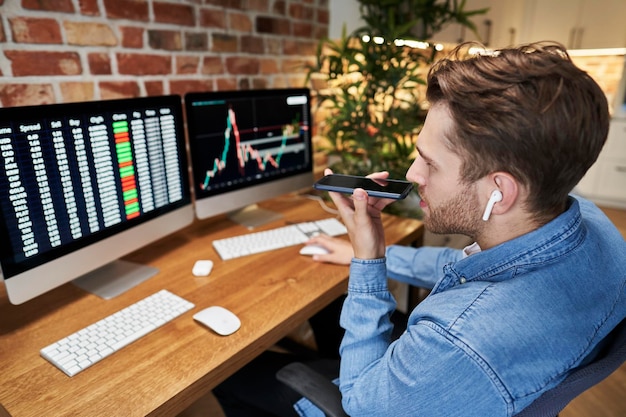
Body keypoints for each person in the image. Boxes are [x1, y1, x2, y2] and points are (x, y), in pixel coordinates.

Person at [213, 41, 626, 416]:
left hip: (390, 396)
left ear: (499, 190)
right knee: (326, 311)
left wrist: (367, 262)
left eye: (429, 162)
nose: (412, 174)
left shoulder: (461, 341)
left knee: (232, 372)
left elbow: (358, 403)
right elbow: (466, 264)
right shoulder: (590, 225)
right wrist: (380, 254)